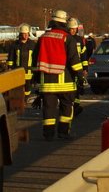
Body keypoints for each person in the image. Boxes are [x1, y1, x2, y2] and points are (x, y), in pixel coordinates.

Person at [35, 9, 83, 140]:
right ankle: (63, 132)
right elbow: (74, 61)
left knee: (49, 109)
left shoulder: (43, 38)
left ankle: (48, 134)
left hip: (47, 82)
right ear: (64, 23)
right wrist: (80, 76)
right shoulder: (68, 38)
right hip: (65, 82)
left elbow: (35, 60)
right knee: (66, 108)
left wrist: (36, 80)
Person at [6, 24, 37, 97]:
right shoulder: (15, 45)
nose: (26, 35)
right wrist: (10, 68)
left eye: (27, 34)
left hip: (29, 71)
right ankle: (20, 100)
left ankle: (26, 99)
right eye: (24, 34)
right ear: (20, 34)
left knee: (28, 88)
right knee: (18, 88)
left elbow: (35, 57)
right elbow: (11, 58)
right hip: (17, 70)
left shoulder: (33, 45)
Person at [67, 18, 86, 114]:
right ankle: (71, 106)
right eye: (71, 29)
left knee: (78, 87)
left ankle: (76, 106)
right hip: (69, 68)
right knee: (71, 88)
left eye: (75, 29)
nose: (73, 31)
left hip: (78, 67)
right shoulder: (66, 39)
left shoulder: (79, 40)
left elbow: (83, 54)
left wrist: (85, 68)